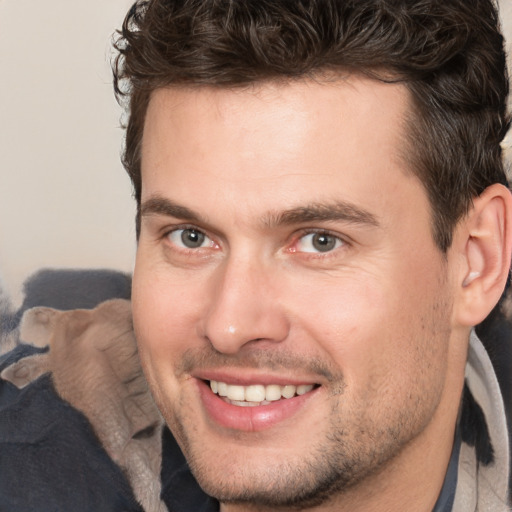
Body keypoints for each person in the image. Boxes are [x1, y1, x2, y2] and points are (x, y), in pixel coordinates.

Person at [0, 1, 511, 511]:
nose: (230, 325)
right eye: (191, 237)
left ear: (476, 262)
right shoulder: (27, 450)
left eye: (319, 241)